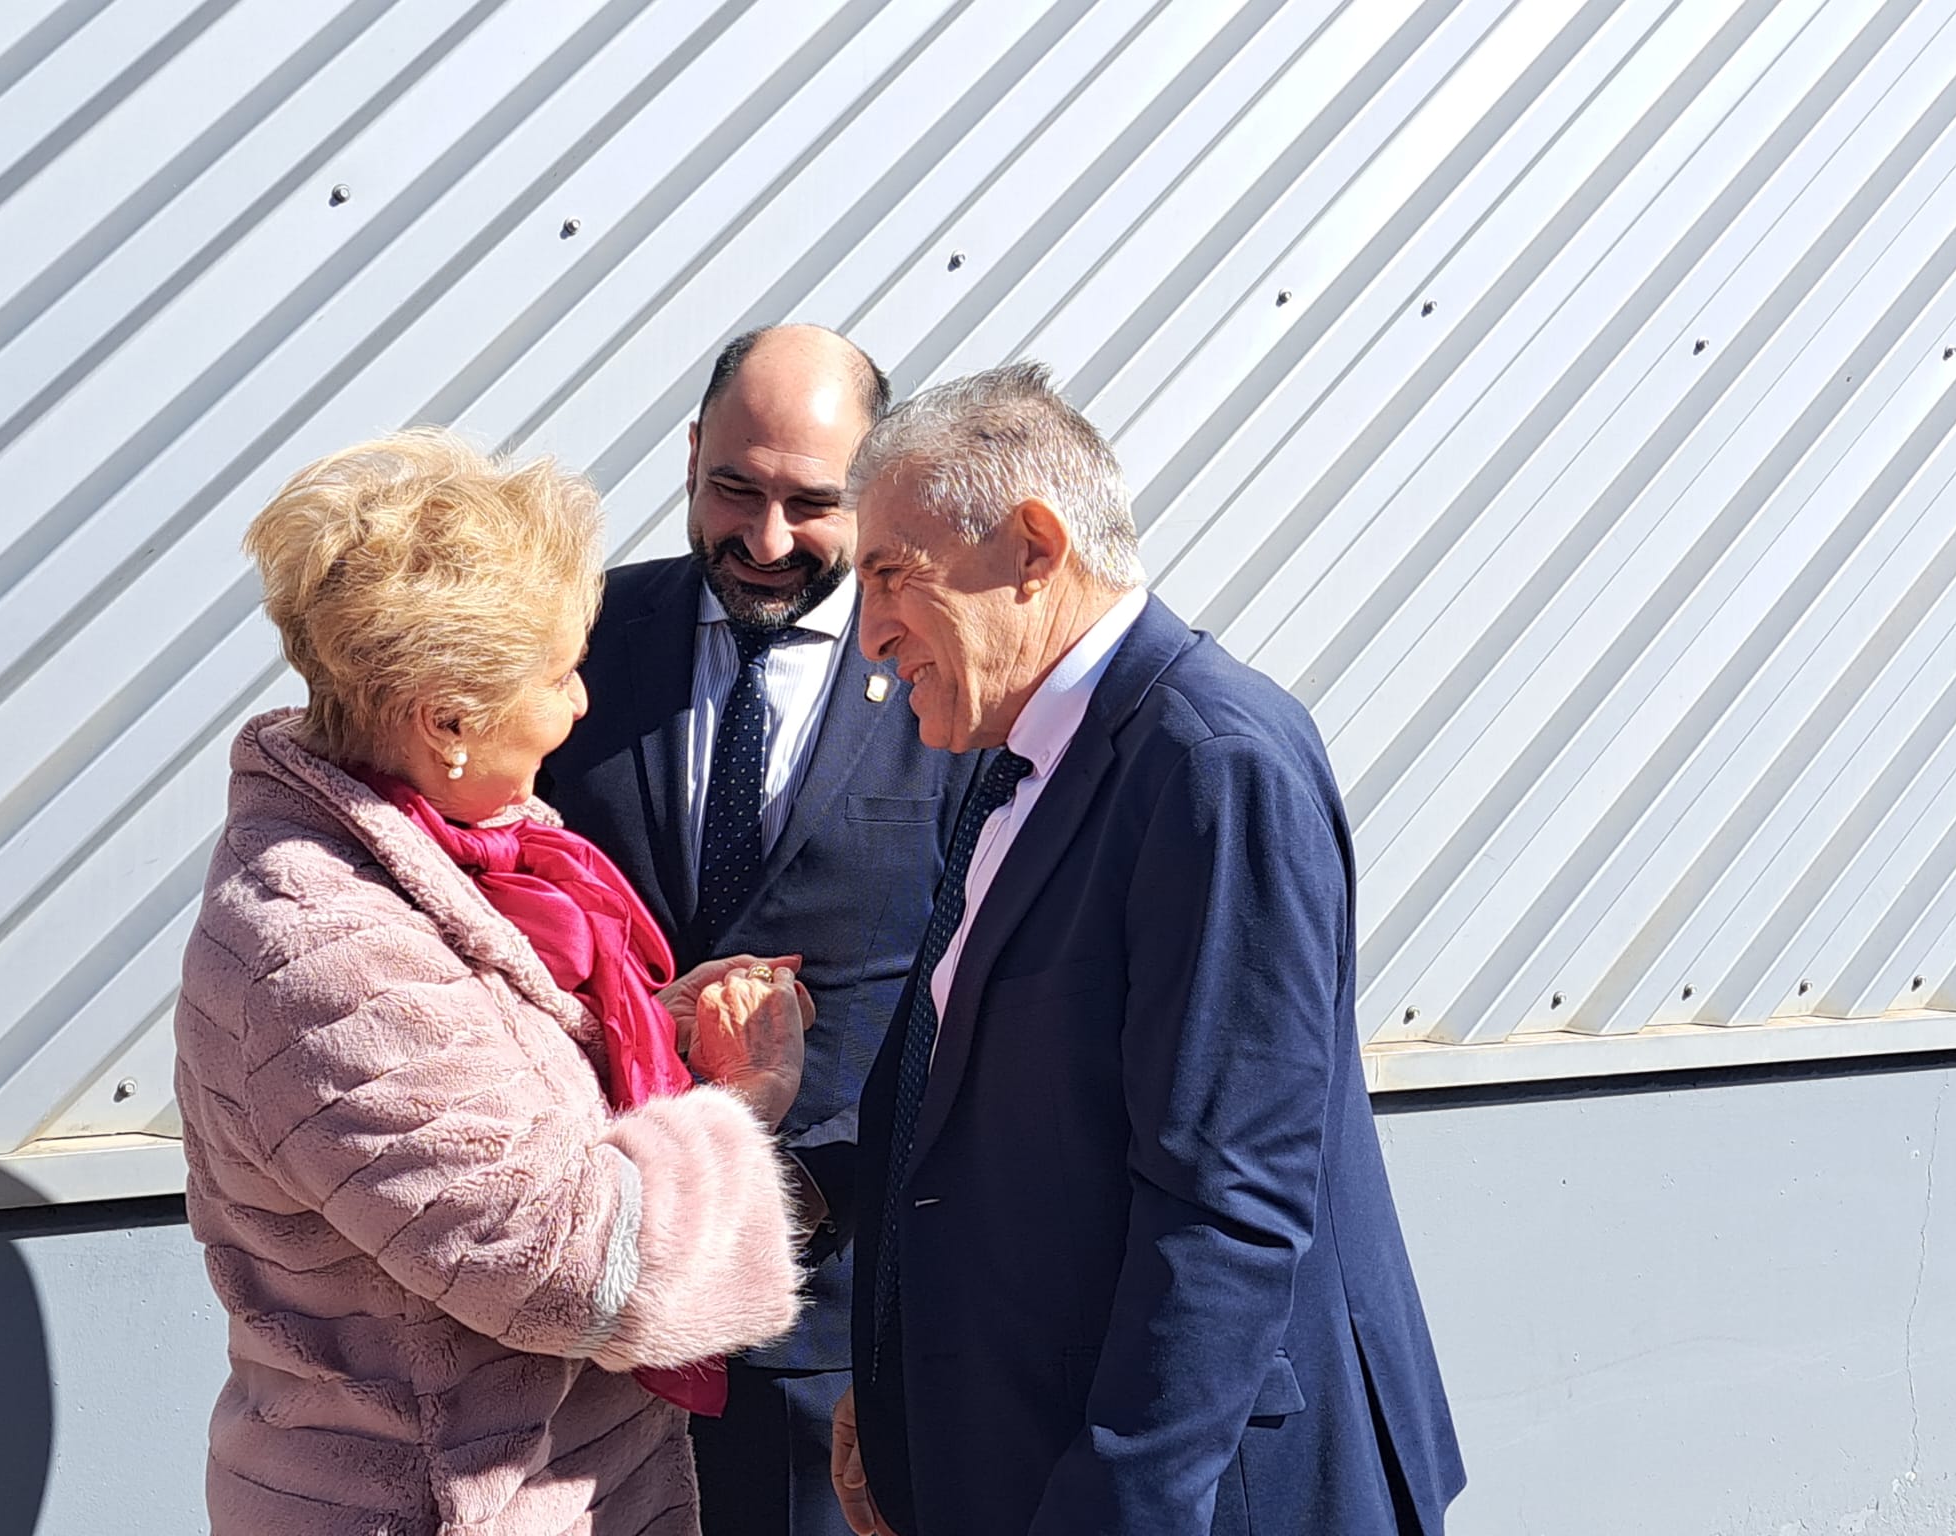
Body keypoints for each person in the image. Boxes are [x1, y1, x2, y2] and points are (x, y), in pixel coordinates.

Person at [829, 364, 1466, 1536]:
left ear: (1031, 545)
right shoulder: (1020, 759)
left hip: (1188, 1492)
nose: (866, 637)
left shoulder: (1210, 764)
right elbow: (970, 1121)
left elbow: (1226, 1203)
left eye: (887, 575)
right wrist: (893, 1374)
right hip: (1018, 1451)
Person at [175, 428, 813, 1536]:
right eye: (559, 674)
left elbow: (485, 1097)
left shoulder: (441, 860)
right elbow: (570, 1263)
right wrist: (738, 1108)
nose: (578, 707)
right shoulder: (322, 950)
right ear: (448, 723)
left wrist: (652, 1037)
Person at [539, 325, 979, 1536]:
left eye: (811, 504)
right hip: (585, 1298)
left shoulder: (948, 678)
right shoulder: (572, 645)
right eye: (735, 488)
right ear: (688, 456)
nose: (767, 540)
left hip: (819, 1312)